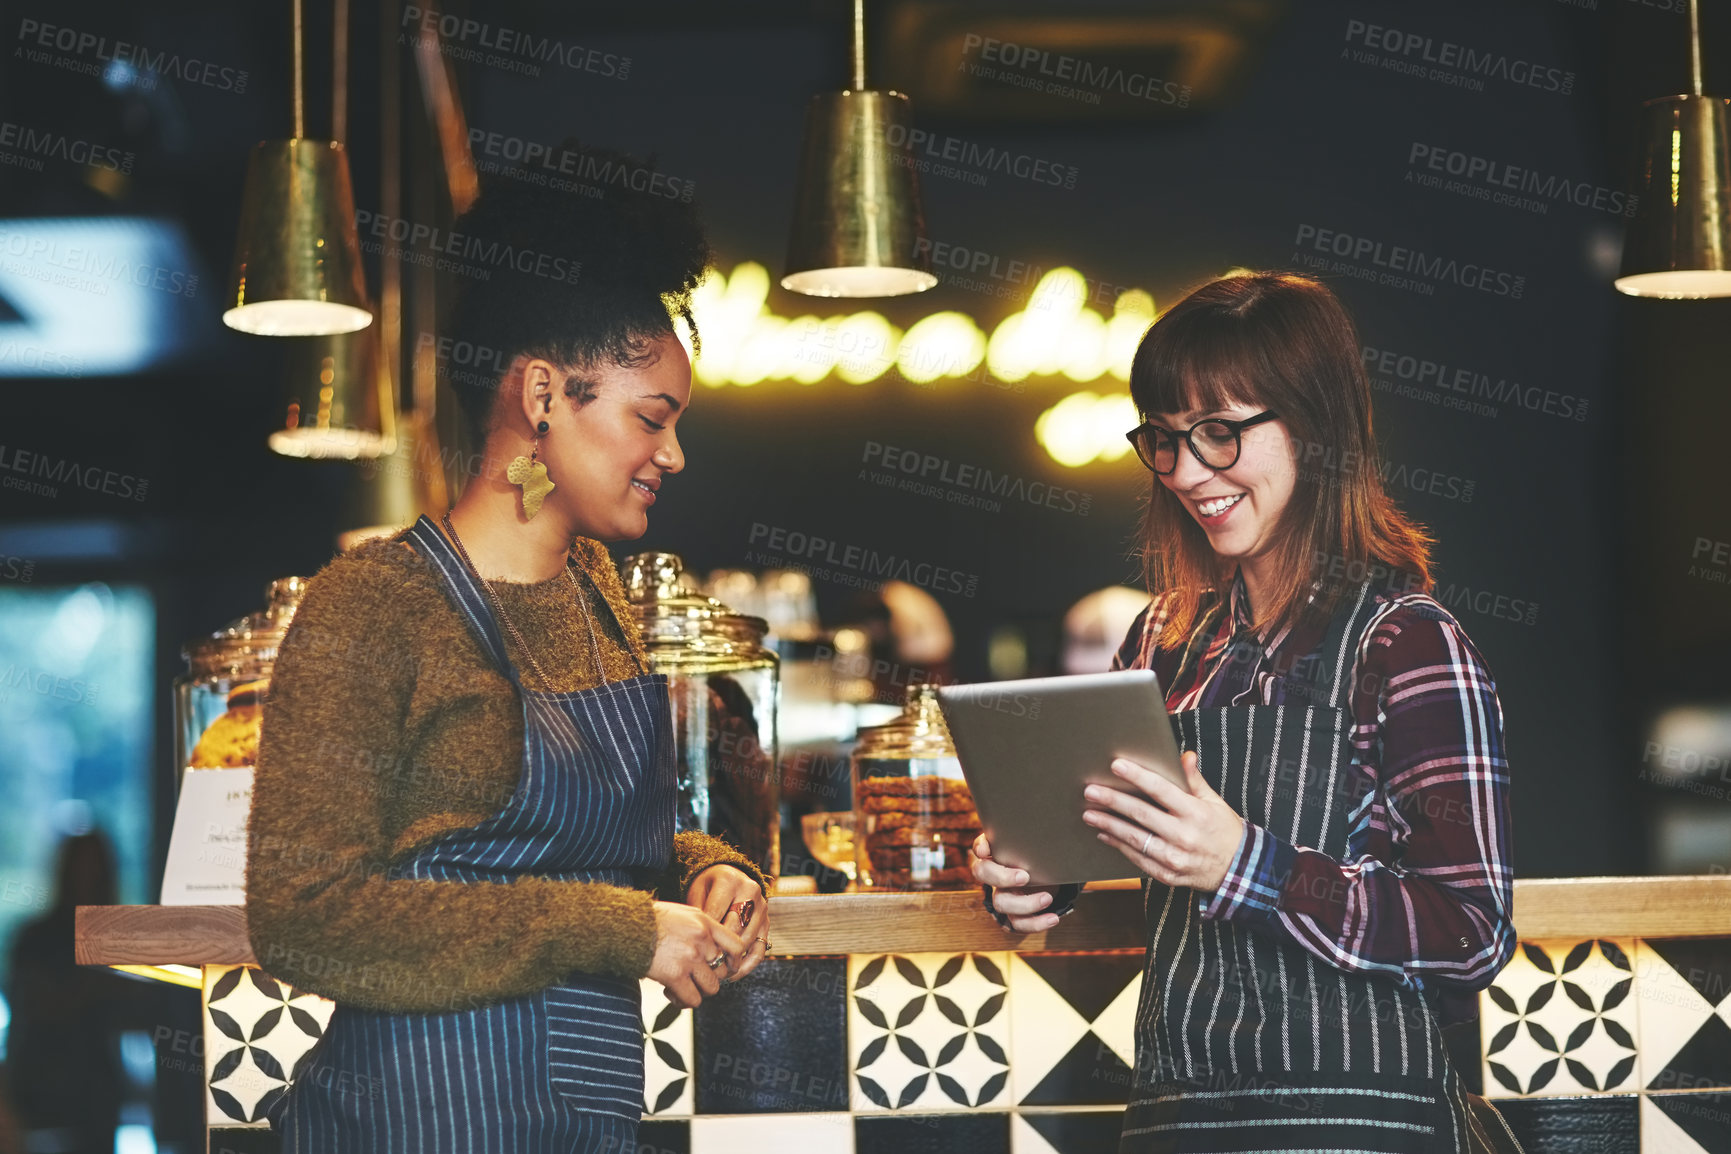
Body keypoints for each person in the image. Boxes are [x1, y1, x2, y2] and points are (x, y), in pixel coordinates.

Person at [246, 160, 770, 1153]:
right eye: (651, 418)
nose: (673, 455)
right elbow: (301, 917)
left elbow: (609, 847)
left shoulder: (598, 594)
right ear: (540, 394)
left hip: (583, 1119)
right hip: (414, 1123)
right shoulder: (372, 605)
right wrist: (618, 929)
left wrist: (710, 871)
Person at [972, 272, 1522, 1153]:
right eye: (1165, 439)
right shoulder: (1162, 641)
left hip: (1360, 1127)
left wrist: (1247, 864)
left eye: (1220, 433)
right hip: (1179, 1119)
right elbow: (1083, 838)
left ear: (1314, 425)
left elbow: (1470, 932)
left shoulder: (1407, 644)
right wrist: (1028, 880)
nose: (1188, 472)